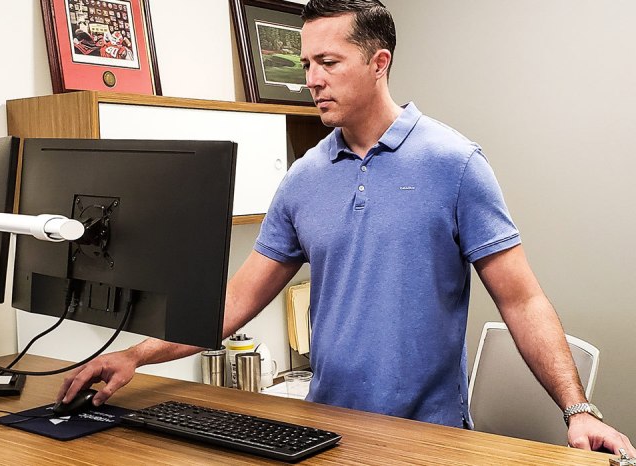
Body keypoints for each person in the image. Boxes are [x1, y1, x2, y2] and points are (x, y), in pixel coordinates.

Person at [58, 0, 635, 454]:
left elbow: (522, 300)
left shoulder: (454, 164)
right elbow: (238, 298)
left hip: (428, 436)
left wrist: (577, 409)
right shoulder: (303, 178)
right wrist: (136, 355)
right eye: (306, 63)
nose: (311, 79)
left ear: (379, 62)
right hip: (325, 427)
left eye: (328, 63)